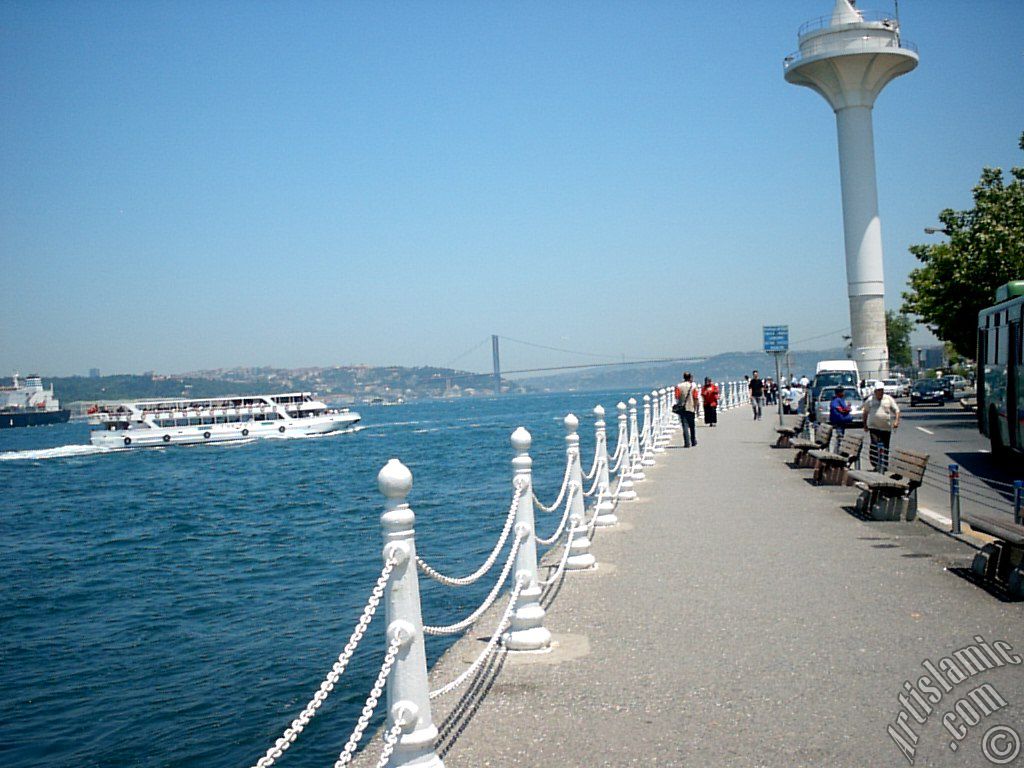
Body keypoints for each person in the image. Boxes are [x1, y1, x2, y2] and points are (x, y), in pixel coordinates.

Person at [864, 380, 900, 470]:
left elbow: (896, 410)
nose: (880, 392)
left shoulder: (888, 399)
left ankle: (884, 465)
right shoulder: (870, 400)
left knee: (885, 446)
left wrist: (896, 421)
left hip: (885, 427)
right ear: (875, 391)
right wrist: (864, 424)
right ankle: (875, 463)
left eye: (881, 390)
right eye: (878, 391)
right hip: (874, 427)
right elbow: (865, 412)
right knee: (874, 444)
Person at [674, 371, 700, 447]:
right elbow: (695, 397)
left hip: (682, 408)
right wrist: (696, 407)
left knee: (684, 425)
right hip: (691, 407)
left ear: (684, 377)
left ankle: (687, 442)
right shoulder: (693, 386)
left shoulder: (678, 386)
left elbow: (677, 396)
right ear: (690, 377)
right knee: (692, 425)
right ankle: (693, 440)